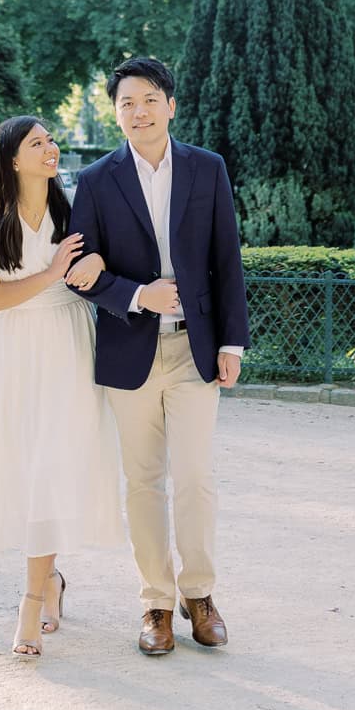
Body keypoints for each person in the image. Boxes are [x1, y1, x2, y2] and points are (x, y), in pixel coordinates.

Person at [70, 55, 250, 657]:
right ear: (115, 112)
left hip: (195, 350)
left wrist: (231, 341)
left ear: (171, 106)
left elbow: (227, 258)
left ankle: (200, 595)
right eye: (126, 103)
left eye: (149, 99)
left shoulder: (208, 169)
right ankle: (156, 603)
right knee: (143, 482)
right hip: (130, 351)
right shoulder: (96, 181)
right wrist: (136, 294)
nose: (138, 111)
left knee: (196, 477)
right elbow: (79, 268)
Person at [0, 115, 123, 658]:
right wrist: (51, 273)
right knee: (26, 468)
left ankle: (32, 599)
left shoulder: (73, 207)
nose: (51, 148)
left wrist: (94, 260)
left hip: (70, 346)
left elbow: (107, 263)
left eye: (51, 139)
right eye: (38, 143)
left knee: (54, 467)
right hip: (14, 350)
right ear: (12, 159)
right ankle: (49, 582)